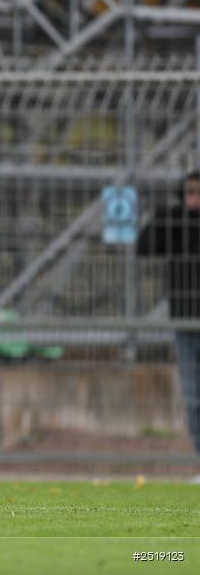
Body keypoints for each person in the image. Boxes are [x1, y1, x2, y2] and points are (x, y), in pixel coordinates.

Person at [137, 170, 200, 482]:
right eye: (189, 193)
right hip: (185, 321)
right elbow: (144, 245)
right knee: (193, 397)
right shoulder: (176, 221)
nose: (194, 200)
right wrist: (169, 214)